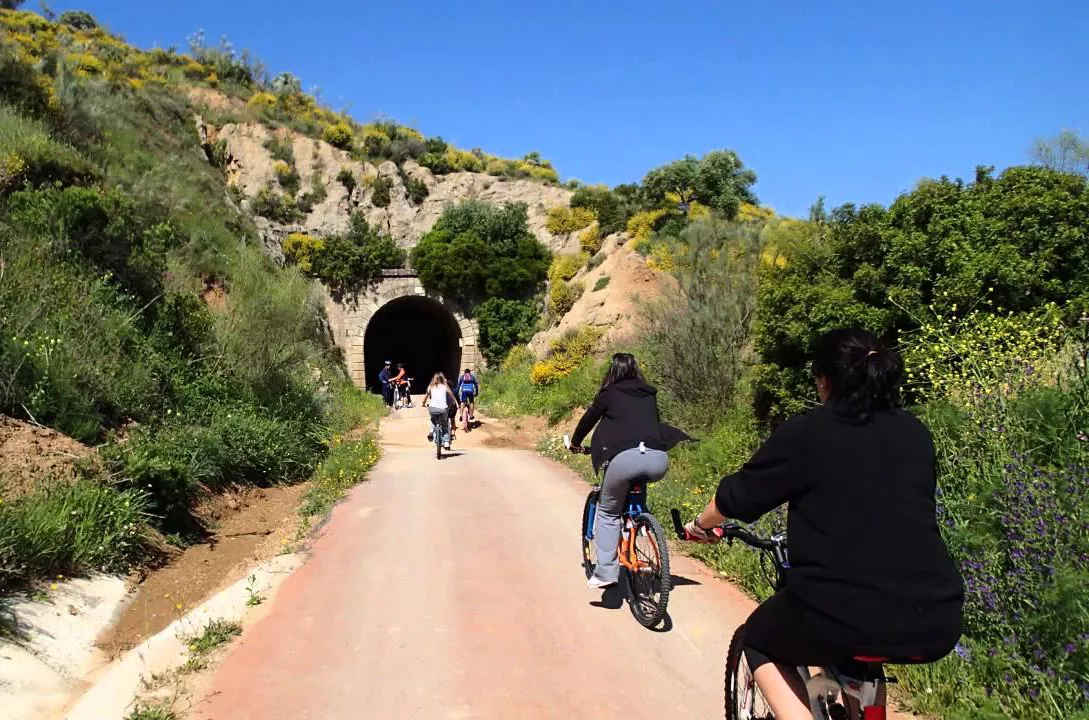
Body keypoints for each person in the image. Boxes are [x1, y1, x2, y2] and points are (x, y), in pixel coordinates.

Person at [683, 328, 964, 720]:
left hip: (838, 612)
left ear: (825, 379)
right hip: (936, 616)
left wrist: (699, 526)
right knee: (861, 641)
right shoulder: (915, 433)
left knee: (760, 639)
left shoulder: (809, 431)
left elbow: (736, 497)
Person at [568, 353, 691, 590]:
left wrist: (575, 442)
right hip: (658, 458)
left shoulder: (609, 393)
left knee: (608, 512)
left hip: (625, 458)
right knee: (637, 480)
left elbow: (588, 420)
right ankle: (640, 522)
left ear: (613, 371)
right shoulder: (649, 393)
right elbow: (651, 424)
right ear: (636, 370)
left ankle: (605, 572)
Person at [423, 372, 459, 451]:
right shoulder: (445, 386)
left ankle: (431, 431)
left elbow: (426, 397)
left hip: (432, 408)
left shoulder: (430, 386)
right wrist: (455, 402)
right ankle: (446, 442)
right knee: (444, 424)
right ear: (443, 379)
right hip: (443, 409)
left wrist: (423, 404)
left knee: (433, 419)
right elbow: (451, 394)